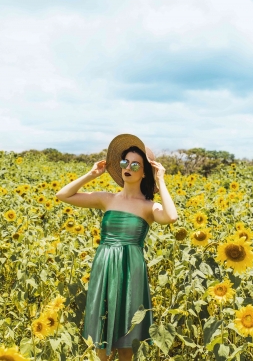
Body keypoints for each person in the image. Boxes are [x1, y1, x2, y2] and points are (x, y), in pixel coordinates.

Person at [56, 134, 178, 361]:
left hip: (131, 269)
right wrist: (92, 174)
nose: (128, 167)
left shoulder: (149, 207)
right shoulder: (107, 199)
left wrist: (161, 181)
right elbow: (62, 195)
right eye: (124, 163)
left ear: (144, 173)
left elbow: (171, 217)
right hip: (104, 264)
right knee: (101, 336)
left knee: (126, 339)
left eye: (135, 164)